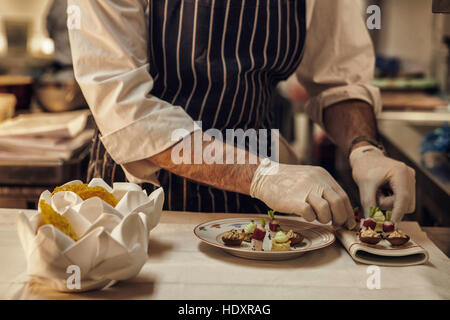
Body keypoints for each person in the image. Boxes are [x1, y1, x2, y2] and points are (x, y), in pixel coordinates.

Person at [68, 0, 415, 227]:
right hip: (142, 204)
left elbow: (338, 76)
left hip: (263, 200)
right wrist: (260, 175)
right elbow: (129, 112)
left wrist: (365, 150)